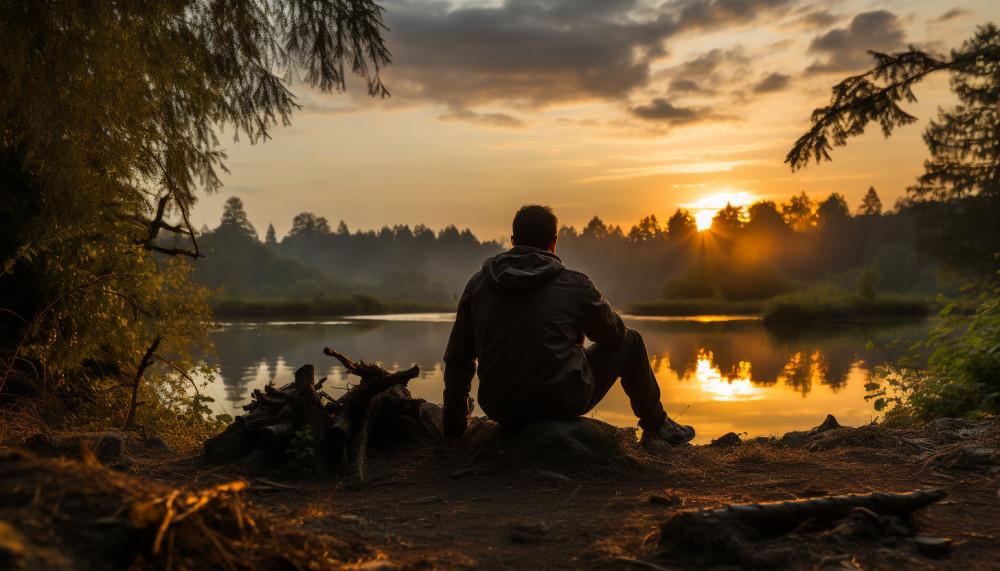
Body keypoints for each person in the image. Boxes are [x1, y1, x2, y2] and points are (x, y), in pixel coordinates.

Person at [442, 204, 695, 445]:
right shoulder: (574, 284)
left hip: (499, 405)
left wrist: (454, 426)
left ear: (513, 241)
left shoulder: (478, 284)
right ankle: (657, 426)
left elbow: (458, 359)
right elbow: (616, 334)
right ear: (554, 241)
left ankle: (657, 426)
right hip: (563, 400)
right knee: (633, 341)